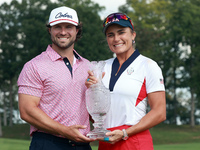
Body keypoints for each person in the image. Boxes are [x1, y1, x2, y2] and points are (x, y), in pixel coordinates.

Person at [85, 12, 166, 150]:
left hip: (134, 141)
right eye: (110, 35)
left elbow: (160, 112)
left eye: (121, 32)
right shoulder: (101, 67)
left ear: (133, 35)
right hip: (106, 141)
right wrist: (91, 92)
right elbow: (96, 114)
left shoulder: (148, 65)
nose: (116, 39)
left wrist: (124, 133)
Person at [17, 6, 94, 150]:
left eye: (69, 27)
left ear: (77, 30)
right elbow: (26, 110)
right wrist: (65, 131)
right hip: (48, 143)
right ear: (50, 30)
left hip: (83, 145)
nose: (63, 32)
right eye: (57, 27)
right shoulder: (34, 66)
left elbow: (93, 113)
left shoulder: (88, 66)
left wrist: (97, 92)